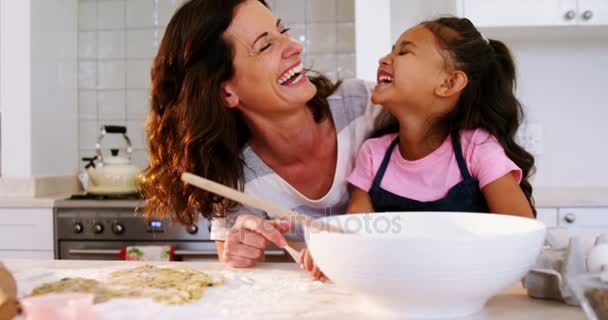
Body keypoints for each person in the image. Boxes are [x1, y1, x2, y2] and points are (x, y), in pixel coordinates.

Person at [140, 0, 380, 269]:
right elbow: (238, 275)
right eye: (266, 45)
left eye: (283, 31)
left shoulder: (368, 108)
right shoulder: (236, 179)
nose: (295, 47)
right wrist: (240, 250)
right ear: (226, 91)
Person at [300, 17, 537, 279]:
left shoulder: (477, 149)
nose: (384, 59)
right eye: (392, 49)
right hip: (398, 291)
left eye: (403, 51)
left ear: (448, 83)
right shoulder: (373, 154)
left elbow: (522, 232)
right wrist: (332, 251)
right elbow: (355, 231)